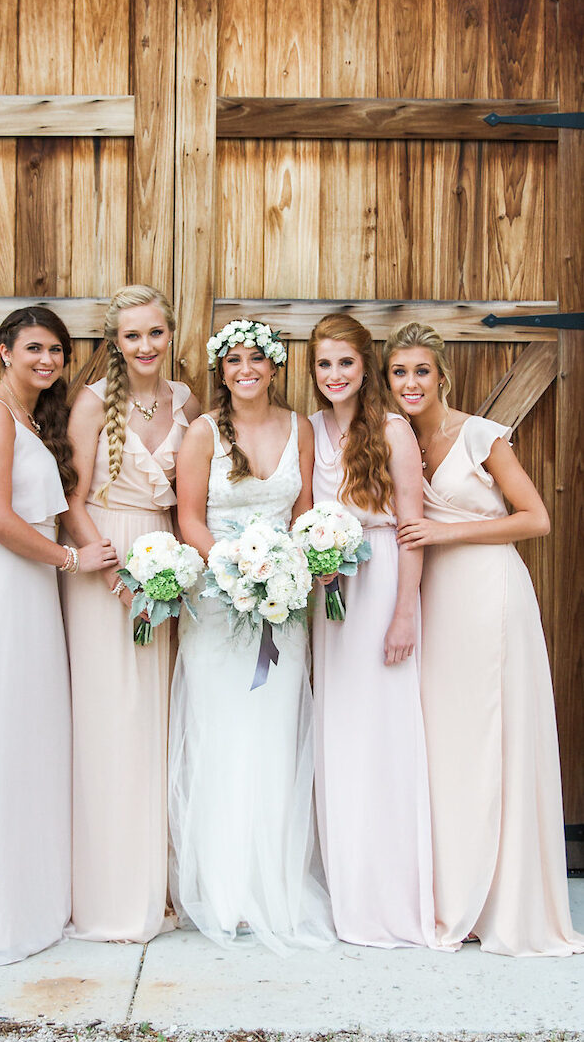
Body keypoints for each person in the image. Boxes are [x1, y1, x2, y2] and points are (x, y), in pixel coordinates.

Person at [384, 321, 583, 957]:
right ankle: (453, 896)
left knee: (494, 735)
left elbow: (536, 519)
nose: (411, 383)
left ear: (442, 376)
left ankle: (504, 898)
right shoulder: (394, 439)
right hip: (435, 602)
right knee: (445, 744)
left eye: (421, 372)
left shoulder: (480, 436)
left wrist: (445, 535)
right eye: (399, 373)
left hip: (489, 596)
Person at [0, 306, 118, 968]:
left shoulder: (36, 420)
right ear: (3, 349)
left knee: (26, 738)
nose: (46, 360)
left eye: (56, 351)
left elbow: (64, 506)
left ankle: (27, 898)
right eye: (34, 348)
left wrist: (107, 557)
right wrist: (71, 561)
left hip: (28, 590)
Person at [168, 319, 334, 953]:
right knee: (221, 732)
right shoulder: (204, 432)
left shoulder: (300, 430)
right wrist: (237, 573)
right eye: (233, 360)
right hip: (218, 605)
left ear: (273, 367)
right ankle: (222, 887)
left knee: (272, 733)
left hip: (284, 610)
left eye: (256, 359)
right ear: (222, 369)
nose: (246, 370)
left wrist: (284, 577)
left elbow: (300, 514)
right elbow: (188, 518)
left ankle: (273, 886)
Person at [60, 285, 199, 942]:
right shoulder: (91, 403)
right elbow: (72, 498)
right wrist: (112, 573)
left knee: (155, 720)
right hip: (105, 563)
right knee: (108, 719)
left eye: (155, 333)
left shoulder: (186, 401)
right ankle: (107, 891)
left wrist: (170, 577)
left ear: (170, 334)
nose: (145, 346)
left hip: (164, 566)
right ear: (114, 343)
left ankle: (157, 885)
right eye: (131, 336)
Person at [308, 313, 437, 949]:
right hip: (330, 588)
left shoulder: (391, 429)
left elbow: (411, 526)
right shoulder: (310, 430)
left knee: (383, 729)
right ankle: (346, 882)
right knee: (340, 728)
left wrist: (405, 612)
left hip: (382, 577)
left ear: (366, 366)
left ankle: (390, 892)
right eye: (324, 364)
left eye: (346, 364)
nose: (335, 376)